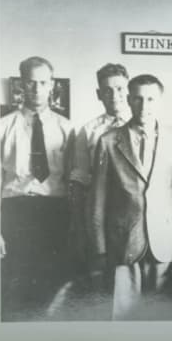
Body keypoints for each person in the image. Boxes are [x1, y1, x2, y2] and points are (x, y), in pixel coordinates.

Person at [86, 74, 172, 320]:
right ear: (129, 100)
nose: (145, 106)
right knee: (121, 314)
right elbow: (98, 199)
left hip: (165, 240)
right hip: (123, 241)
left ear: (160, 101)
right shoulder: (109, 141)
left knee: (162, 314)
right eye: (138, 99)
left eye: (151, 99)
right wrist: (100, 248)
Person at [0, 56, 75, 321]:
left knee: (53, 285)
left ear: (52, 85)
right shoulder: (1, 127)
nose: (36, 89)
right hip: (14, 212)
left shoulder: (67, 128)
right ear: (21, 84)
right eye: (30, 83)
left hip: (54, 212)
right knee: (15, 284)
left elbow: (72, 179)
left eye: (43, 83)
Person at [69, 63, 131, 271]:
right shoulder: (88, 131)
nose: (115, 95)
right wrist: (79, 224)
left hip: (133, 212)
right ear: (99, 94)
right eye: (107, 90)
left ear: (128, 90)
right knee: (101, 272)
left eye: (120, 88)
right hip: (101, 212)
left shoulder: (143, 125)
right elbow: (79, 178)